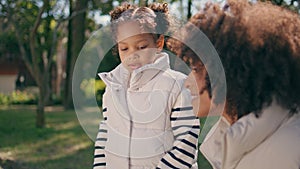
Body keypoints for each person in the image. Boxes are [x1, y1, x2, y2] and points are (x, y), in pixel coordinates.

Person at [168, 0, 300, 168]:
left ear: (227, 71)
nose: (187, 83)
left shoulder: (292, 147)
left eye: (195, 68)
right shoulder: (228, 143)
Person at [93, 3, 200, 169]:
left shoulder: (178, 86)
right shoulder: (112, 88)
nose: (132, 55)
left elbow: (187, 143)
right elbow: (105, 135)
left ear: (158, 44)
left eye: (141, 47)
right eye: (124, 48)